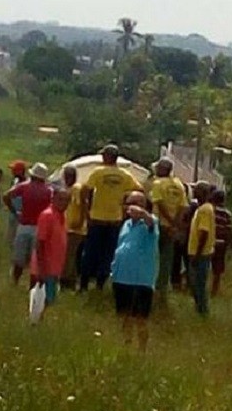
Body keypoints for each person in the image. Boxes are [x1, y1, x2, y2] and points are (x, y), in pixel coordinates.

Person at [80, 144, 142, 291]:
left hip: (97, 218)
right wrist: (124, 202)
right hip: (115, 219)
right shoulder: (125, 175)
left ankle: (83, 284)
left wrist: (86, 208)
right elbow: (139, 189)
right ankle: (100, 284)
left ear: (107, 157)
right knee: (108, 253)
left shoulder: (98, 172)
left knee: (90, 252)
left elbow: (85, 190)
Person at [111, 191, 159, 352]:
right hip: (121, 277)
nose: (133, 207)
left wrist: (143, 214)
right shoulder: (125, 225)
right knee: (123, 315)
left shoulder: (150, 223)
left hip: (140, 279)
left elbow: (151, 223)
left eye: (138, 203)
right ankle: (126, 345)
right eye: (131, 203)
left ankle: (141, 350)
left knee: (140, 318)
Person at [3, 162, 52, 285]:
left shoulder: (24, 186)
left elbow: (6, 196)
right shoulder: (48, 191)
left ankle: (15, 281)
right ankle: (32, 286)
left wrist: (14, 211)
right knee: (35, 259)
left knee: (19, 257)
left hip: (24, 224)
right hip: (40, 227)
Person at [149, 157, 188, 299]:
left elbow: (159, 204)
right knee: (167, 258)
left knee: (153, 255)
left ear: (161, 169)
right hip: (172, 227)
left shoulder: (158, 183)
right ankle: (162, 288)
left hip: (158, 224)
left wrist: (169, 221)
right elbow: (183, 207)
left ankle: (150, 285)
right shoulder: (179, 185)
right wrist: (175, 223)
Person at [29, 188, 70, 320]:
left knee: (49, 300)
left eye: (66, 200)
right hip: (45, 268)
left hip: (54, 268)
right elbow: (40, 242)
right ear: (53, 198)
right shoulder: (48, 215)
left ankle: (40, 322)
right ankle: (35, 324)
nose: (63, 203)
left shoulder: (62, 216)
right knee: (39, 301)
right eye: (60, 199)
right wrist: (41, 268)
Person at [188, 181, 216, 315]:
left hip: (201, 253)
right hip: (199, 252)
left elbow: (204, 232)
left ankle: (202, 310)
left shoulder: (205, 209)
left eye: (196, 190)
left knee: (198, 283)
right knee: (195, 282)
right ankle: (199, 308)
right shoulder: (204, 208)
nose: (194, 192)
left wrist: (197, 254)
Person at [60, 164, 87, 291]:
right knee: (68, 254)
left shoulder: (76, 189)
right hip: (68, 226)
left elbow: (82, 205)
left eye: (68, 176)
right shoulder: (68, 189)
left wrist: (80, 222)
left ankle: (67, 280)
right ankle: (68, 279)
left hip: (75, 228)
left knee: (69, 255)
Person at [172, 184, 198, 291]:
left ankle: (188, 284)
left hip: (187, 237)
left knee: (187, 262)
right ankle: (176, 284)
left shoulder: (192, 206)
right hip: (178, 236)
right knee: (176, 262)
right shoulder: (177, 205)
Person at [210, 189, 232, 296]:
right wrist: (227, 243)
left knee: (206, 264)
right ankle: (214, 289)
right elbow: (228, 230)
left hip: (210, 242)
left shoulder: (211, 211)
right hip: (221, 243)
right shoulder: (227, 214)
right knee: (217, 269)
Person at [6, 160, 28, 248]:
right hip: (13, 212)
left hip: (20, 214)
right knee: (11, 238)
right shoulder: (14, 181)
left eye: (14, 170)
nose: (12, 172)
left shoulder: (26, 184)